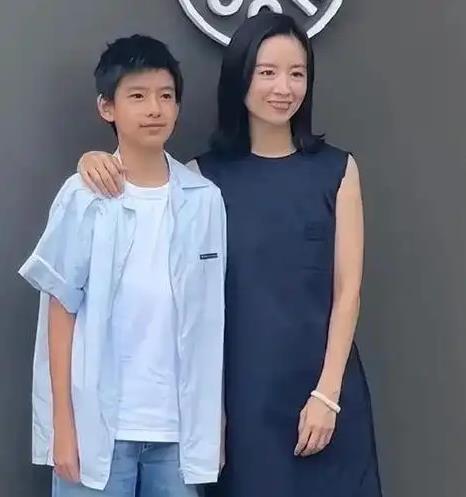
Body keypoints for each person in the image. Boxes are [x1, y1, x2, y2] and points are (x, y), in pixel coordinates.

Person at [77, 13, 382, 497]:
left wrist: (328, 394)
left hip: (324, 395)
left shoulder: (338, 171)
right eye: (267, 72)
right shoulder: (201, 180)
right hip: (239, 401)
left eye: (297, 73)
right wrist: (92, 161)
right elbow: (186, 296)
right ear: (241, 77)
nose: (283, 87)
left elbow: (348, 292)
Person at [19, 34, 226, 497]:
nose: (155, 109)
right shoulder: (83, 195)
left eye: (166, 96)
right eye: (137, 96)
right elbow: (59, 312)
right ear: (106, 107)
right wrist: (62, 426)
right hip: (98, 429)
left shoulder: (205, 200)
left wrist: (214, 420)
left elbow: (211, 320)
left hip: (177, 434)